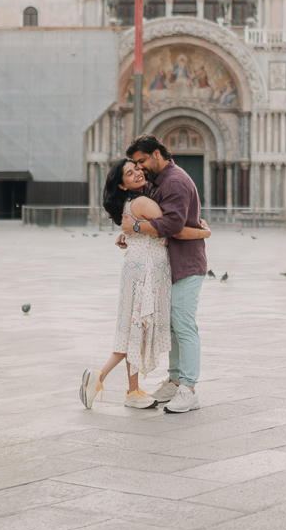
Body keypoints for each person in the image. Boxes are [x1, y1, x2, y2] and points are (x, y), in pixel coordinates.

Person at [81, 159, 210, 410]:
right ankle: (101, 377)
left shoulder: (136, 202)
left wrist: (131, 233)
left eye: (137, 168)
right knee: (136, 326)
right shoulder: (141, 202)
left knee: (135, 326)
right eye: (130, 173)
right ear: (122, 184)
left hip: (140, 266)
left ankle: (132, 390)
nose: (138, 173)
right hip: (146, 270)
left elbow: (150, 228)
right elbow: (174, 228)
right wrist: (204, 232)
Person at [124, 133, 207, 413]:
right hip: (170, 265)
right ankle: (174, 380)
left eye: (143, 160)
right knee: (172, 326)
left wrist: (135, 229)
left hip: (186, 265)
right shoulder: (159, 182)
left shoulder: (174, 181)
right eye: (135, 163)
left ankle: (189, 388)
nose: (140, 167)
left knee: (184, 326)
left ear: (158, 153)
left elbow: (173, 225)